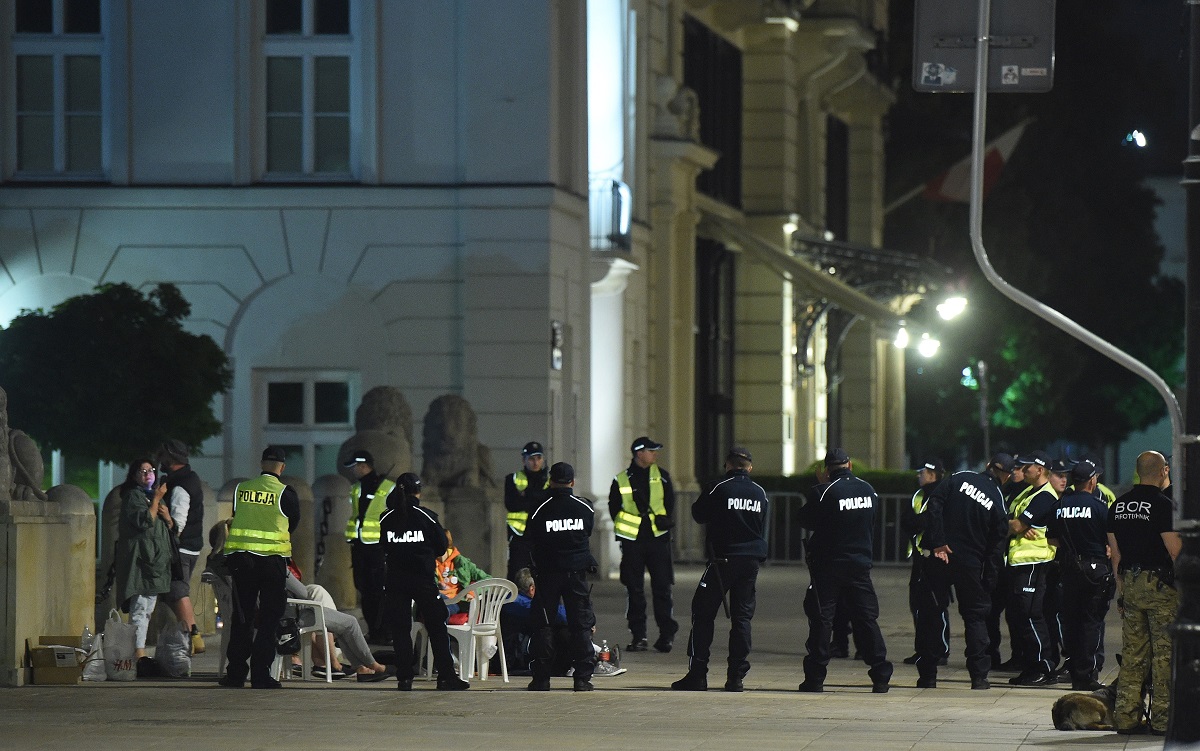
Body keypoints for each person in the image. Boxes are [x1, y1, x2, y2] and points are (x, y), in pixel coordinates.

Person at [671, 446, 768, 692]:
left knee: (702, 613)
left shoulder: (718, 488)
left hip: (722, 561)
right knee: (742, 618)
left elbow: (698, 514)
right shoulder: (759, 492)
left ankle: (697, 674)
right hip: (750, 562)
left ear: (728, 465)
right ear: (749, 468)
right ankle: (736, 677)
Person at [796, 448, 892, 693]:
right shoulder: (868, 490)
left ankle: (815, 678)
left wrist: (821, 487)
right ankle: (880, 673)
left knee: (822, 620)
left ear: (827, 470)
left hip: (829, 566)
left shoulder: (823, 491)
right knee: (867, 619)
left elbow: (806, 520)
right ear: (849, 465)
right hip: (859, 565)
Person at [918, 453, 1013, 689]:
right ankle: (979, 677)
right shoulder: (998, 500)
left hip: (940, 557)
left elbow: (934, 506)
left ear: (988, 464)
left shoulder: (959, 478)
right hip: (971, 565)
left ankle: (928, 676)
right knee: (975, 618)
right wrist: (989, 579)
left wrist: (938, 540)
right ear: (1007, 476)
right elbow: (996, 546)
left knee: (931, 615)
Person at [1107, 450, 1181, 735]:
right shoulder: (1163, 506)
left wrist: (1122, 593)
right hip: (1161, 588)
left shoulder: (1119, 505)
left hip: (1132, 584)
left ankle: (1125, 718)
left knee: (1133, 655)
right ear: (1163, 471)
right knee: (1164, 656)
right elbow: (1175, 552)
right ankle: (1163, 721)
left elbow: (1116, 556)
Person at [218, 446, 301, 689]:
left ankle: (235, 674)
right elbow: (292, 523)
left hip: (242, 561)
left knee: (241, 617)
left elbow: (237, 516)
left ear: (262, 463)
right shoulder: (286, 492)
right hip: (272, 562)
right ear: (282, 467)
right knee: (269, 619)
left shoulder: (241, 489)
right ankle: (260, 674)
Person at [379, 475, 469, 691]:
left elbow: (382, 546)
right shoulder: (425, 517)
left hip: (395, 580)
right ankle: (446, 676)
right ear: (417, 492)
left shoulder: (387, 518)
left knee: (401, 629)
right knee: (437, 626)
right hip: (422, 580)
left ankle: (404, 678)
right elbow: (441, 546)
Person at [526, 462, 598, 691]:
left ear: (551, 480)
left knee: (544, 624)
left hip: (548, 574)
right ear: (572, 482)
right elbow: (587, 532)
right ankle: (582, 678)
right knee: (581, 624)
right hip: (576, 574)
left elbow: (531, 538)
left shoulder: (540, 509)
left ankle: (541, 678)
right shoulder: (585, 508)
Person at [1046, 459, 1113, 691]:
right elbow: (1110, 540)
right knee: (1092, 622)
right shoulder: (1099, 506)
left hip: (1068, 570)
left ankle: (1075, 671)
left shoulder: (1060, 505)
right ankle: (1088, 673)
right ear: (1092, 481)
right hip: (1095, 570)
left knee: (1072, 623)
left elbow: (1052, 539)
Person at [609, 436, 677, 653]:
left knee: (663, 589)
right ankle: (639, 636)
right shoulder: (621, 479)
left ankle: (666, 635)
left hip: (658, 540)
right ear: (639, 453)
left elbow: (669, 503)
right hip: (633, 542)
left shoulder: (662, 477)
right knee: (634, 589)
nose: (655, 454)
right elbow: (614, 509)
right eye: (651, 450)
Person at [1002, 449, 1058, 685]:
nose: (1022, 471)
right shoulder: (1027, 492)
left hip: (1034, 563)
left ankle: (1043, 667)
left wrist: (1017, 526)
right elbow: (1009, 520)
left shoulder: (1045, 496)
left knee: (1031, 616)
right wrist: (1014, 525)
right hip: (1020, 563)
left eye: (1027, 468)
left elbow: (1015, 524)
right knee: (1020, 616)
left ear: (1041, 470)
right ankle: (1031, 665)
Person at [281, 567, 394, 682]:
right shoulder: (278, 566)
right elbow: (302, 593)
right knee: (350, 623)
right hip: (291, 617)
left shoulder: (263, 567)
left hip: (277, 616)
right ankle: (373, 665)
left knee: (338, 621)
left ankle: (361, 668)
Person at [112, 459, 173, 660]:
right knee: (139, 608)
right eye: (142, 471)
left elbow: (169, 529)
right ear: (134, 475)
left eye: (151, 470)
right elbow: (145, 521)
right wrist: (157, 500)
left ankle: (139, 651)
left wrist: (167, 516)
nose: (148, 474)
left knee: (148, 609)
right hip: (139, 563)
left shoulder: (153, 497)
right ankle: (138, 652)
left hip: (155, 563)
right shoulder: (133, 497)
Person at [156, 439, 205, 654]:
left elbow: (178, 522)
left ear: (171, 458)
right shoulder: (185, 479)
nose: (160, 460)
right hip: (188, 547)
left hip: (181, 548)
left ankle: (193, 638)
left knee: (177, 591)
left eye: (164, 456)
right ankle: (190, 636)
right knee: (172, 592)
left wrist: (168, 522)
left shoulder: (181, 484)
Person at [343, 450, 396, 644]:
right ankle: (374, 631)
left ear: (364, 465)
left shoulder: (388, 487)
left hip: (378, 548)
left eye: (355, 467)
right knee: (364, 590)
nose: (354, 471)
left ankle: (383, 632)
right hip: (360, 548)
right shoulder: (356, 488)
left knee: (378, 591)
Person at [900, 458, 948, 667]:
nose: (918, 476)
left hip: (937, 558)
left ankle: (941, 650)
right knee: (918, 604)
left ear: (931, 474)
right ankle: (922, 649)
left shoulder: (942, 493)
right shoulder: (918, 496)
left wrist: (919, 523)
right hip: (920, 558)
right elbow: (907, 521)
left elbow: (932, 521)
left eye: (921, 473)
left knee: (938, 605)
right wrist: (919, 523)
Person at [504, 441, 549, 581]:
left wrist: (526, 495)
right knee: (516, 575)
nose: (535, 462)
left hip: (543, 537)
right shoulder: (513, 479)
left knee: (544, 576)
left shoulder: (550, 481)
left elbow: (549, 505)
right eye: (531, 459)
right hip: (520, 537)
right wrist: (538, 497)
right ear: (524, 460)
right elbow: (512, 504)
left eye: (538, 458)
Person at [436, 529, 491, 616]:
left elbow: (488, 579)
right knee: (437, 600)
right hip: (436, 600)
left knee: (441, 610)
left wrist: (472, 591)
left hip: (456, 602)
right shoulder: (428, 563)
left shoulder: (461, 562)